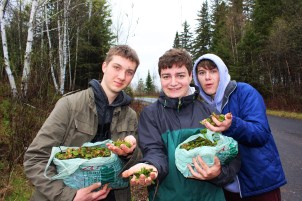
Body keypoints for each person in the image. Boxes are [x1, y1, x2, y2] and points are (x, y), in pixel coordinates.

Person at [24, 45, 141, 201]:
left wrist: (130, 154)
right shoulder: (70, 105)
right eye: (117, 67)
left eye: (129, 72)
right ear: (104, 66)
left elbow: (136, 164)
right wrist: (70, 196)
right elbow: (35, 158)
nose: (121, 76)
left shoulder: (130, 116)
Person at [122, 48, 241, 201]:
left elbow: (233, 157)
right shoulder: (150, 114)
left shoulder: (210, 113)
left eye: (180, 75)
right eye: (166, 76)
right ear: (160, 78)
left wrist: (218, 174)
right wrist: (152, 166)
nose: (173, 82)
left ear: (190, 76)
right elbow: (153, 151)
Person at [192, 53, 287, 201]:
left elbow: (261, 133)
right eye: (201, 73)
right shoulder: (204, 108)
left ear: (222, 73)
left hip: (260, 185)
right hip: (227, 189)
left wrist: (232, 124)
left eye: (213, 71)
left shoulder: (244, 92)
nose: (207, 77)